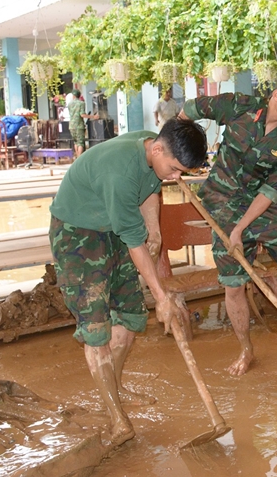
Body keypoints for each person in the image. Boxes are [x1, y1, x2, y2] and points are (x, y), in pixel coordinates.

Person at [48, 118, 208, 447]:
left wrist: (156, 227)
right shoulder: (119, 173)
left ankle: (116, 390)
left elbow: (150, 189)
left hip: (111, 226)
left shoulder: (155, 149)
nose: (176, 177)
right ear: (159, 149)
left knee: (129, 315)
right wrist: (161, 296)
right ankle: (117, 419)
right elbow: (134, 242)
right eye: (176, 169)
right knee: (96, 328)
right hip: (78, 232)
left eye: (183, 173)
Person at [178, 66, 277, 376]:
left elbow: (271, 191)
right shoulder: (238, 106)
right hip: (224, 203)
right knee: (233, 284)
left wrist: (242, 228)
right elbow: (191, 109)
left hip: (266, 207)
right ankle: (246, 350)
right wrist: (177, 148)